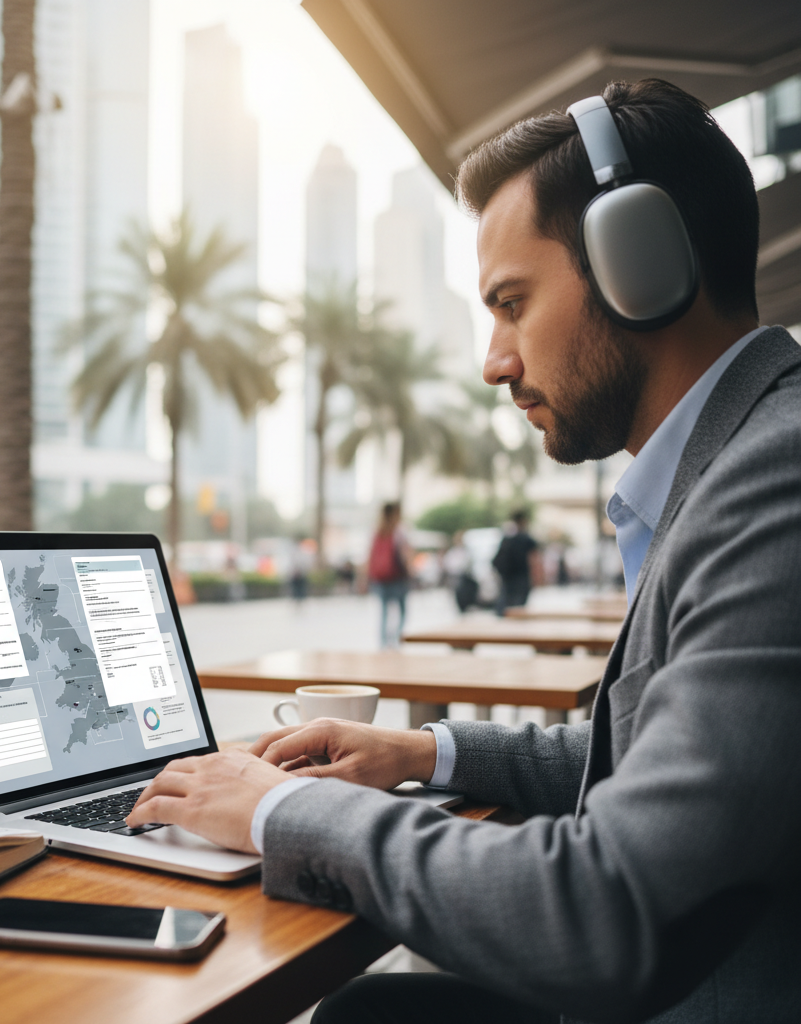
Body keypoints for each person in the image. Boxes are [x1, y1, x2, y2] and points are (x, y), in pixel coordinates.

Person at [127, 79, 801, 1022]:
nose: (494, 360)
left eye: (512, 303)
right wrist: (417, 750)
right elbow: (656, 765)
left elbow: (612, 912)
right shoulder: (738, 460)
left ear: (636, 266)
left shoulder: (775, 481)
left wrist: (276, 811)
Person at [366, 502, 410, 647]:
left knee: (384, 612)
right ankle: (396, 639)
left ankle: (384, 643)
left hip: (380, 577)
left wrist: (366, 577)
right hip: (397, 577)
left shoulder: (377, 531)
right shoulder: (399, 531)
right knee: (402, 611)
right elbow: (406, 554)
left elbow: (369, 555)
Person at [492, 509, 540, 612]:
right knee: (519, 607)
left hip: (508, 577)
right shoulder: (527, 539)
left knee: (507, 605)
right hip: (522, 577)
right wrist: (536, 577)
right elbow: (534, 559)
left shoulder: (507, 537)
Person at [442, 530, 478, 612]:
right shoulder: (453, 552)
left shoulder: (465, 551)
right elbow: (449, 564)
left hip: (464, 576)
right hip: (456, 576)